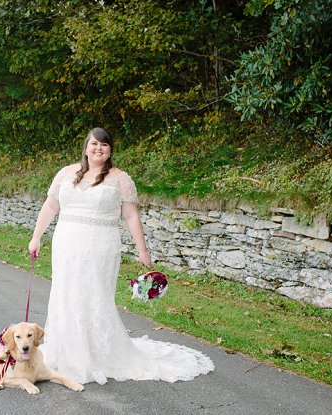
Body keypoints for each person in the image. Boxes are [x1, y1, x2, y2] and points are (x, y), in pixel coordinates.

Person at [28, 127, 214, 384]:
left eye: (104, 145)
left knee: (95, 295)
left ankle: (97, 354)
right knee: (65, 292)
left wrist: (143, 250)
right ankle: (66, 351)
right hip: (67, 242)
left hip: (100, 245)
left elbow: (130, 215)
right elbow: (51, 205)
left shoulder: (119, 178)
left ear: (110, 150)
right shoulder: (66, 173)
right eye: (94, 144)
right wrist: (36, 236)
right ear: (86, 146)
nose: (98, 149)